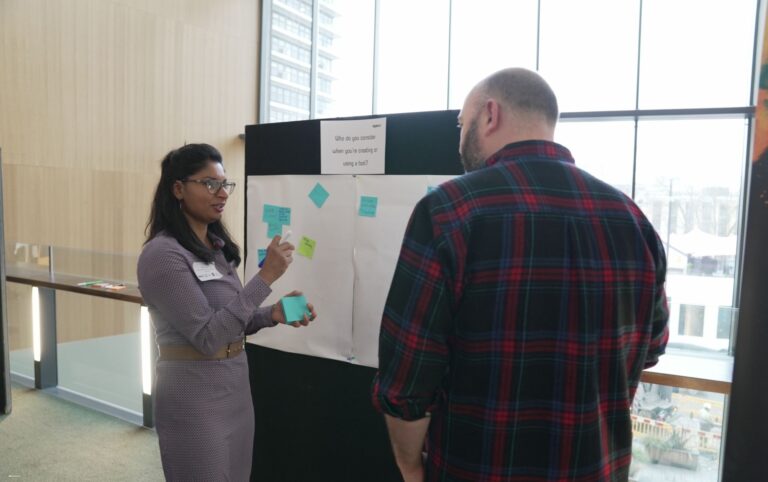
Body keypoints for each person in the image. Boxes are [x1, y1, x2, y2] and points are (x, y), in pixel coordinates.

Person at [371, 68, 669, 481]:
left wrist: (409, 466)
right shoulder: (633, 220)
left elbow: (406, 380)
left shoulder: (448, 212)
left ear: (490, 114)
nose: (459, 138)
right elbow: (651, 348)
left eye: (462, 123)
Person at [137, 143, 317, 481]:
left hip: (235, 390)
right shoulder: (162, 255)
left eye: (225, 184)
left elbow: (237, 320)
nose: (222, 193)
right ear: (178, 188)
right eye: (210, 184)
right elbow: (208, 336)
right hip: (194, 398)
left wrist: (274, 313)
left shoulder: (216, 249)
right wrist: (266, 277)